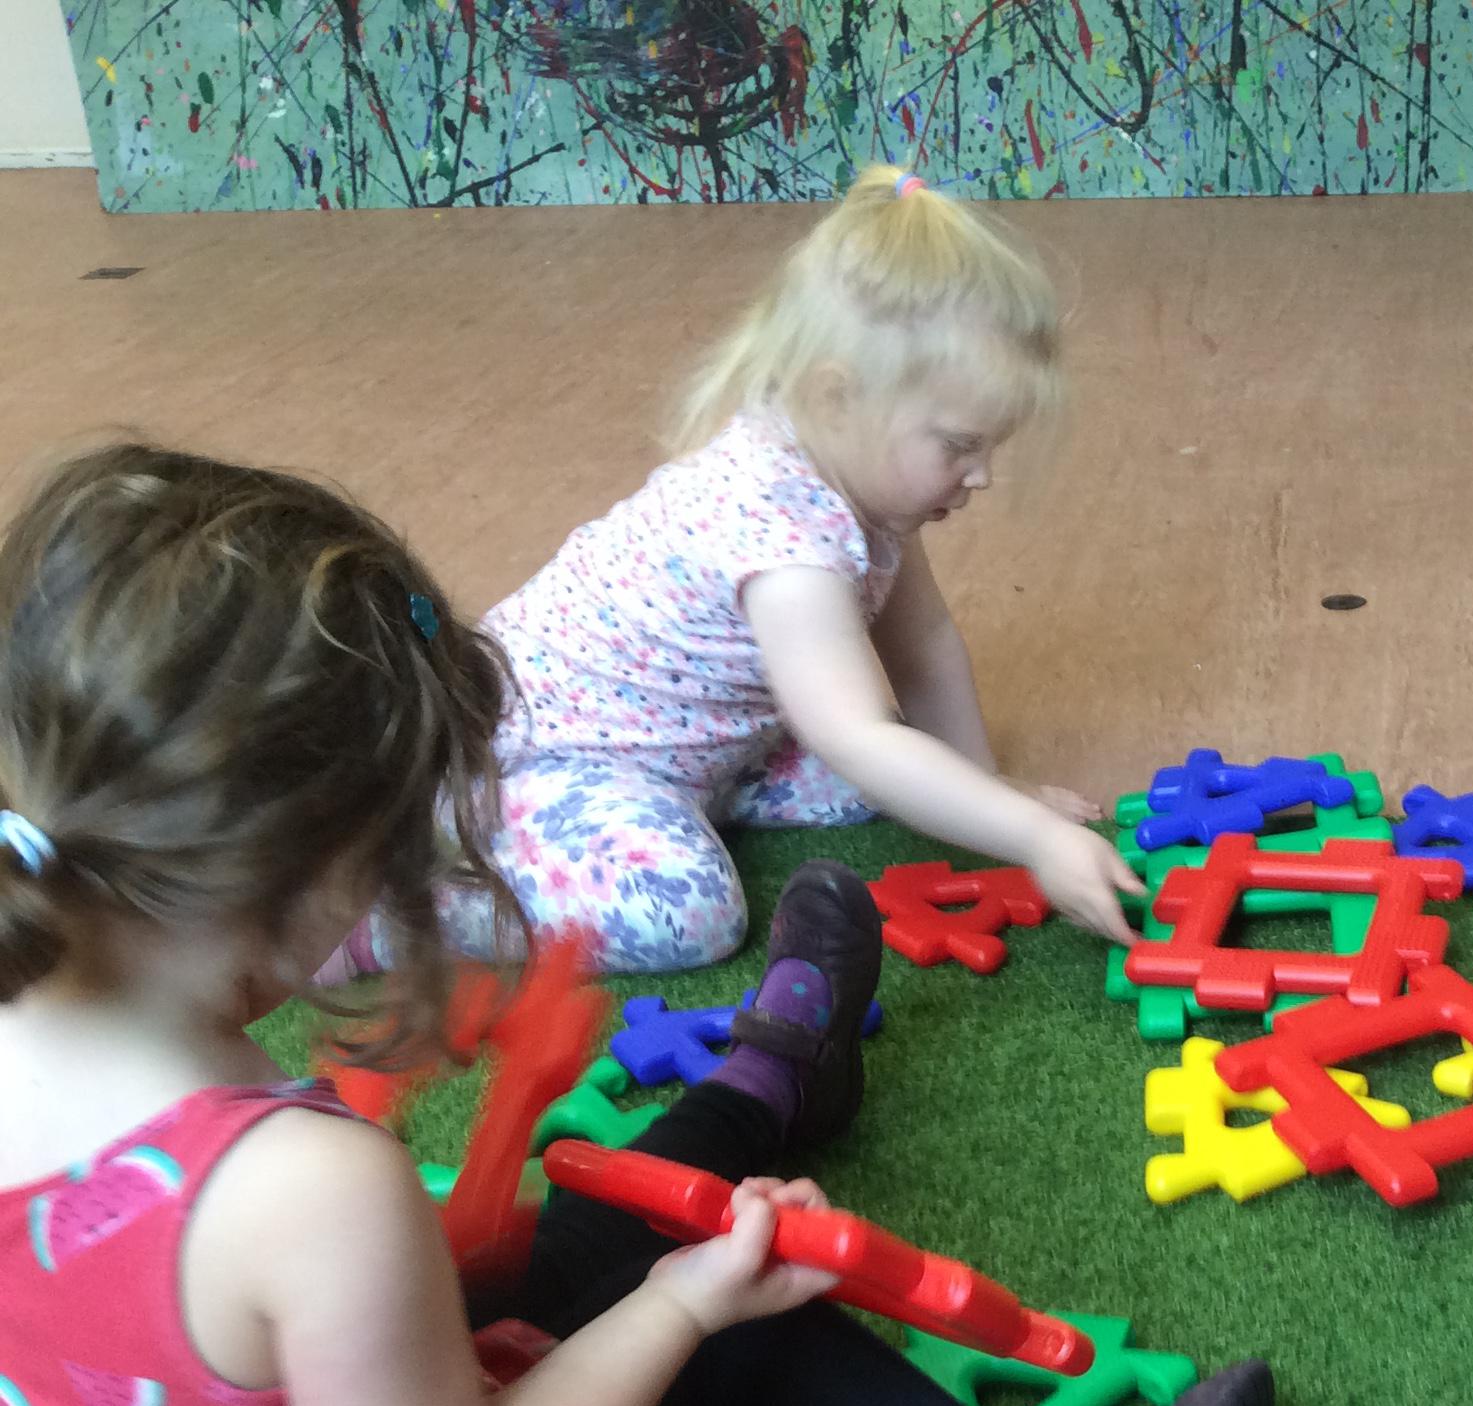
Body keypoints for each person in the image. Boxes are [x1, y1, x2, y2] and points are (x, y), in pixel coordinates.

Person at [0, 443, 1273, 1406]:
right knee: (709, 1298)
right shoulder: (299, 1194)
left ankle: (770, 1079)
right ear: (307, 861)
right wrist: (682, 1313)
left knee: (609, 1233)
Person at [318, 164, 1138, 982]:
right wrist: (1033, 837)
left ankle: (701, 801)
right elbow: (855, 735)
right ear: (837, 397)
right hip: (541, 766)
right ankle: (397, 916)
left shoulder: (852, 472)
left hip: (684, 749)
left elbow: (921, 642)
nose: (982, 475)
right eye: (959, 445)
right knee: (692, 908)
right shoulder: (782, 539)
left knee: (911, 773)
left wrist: (990, 789)